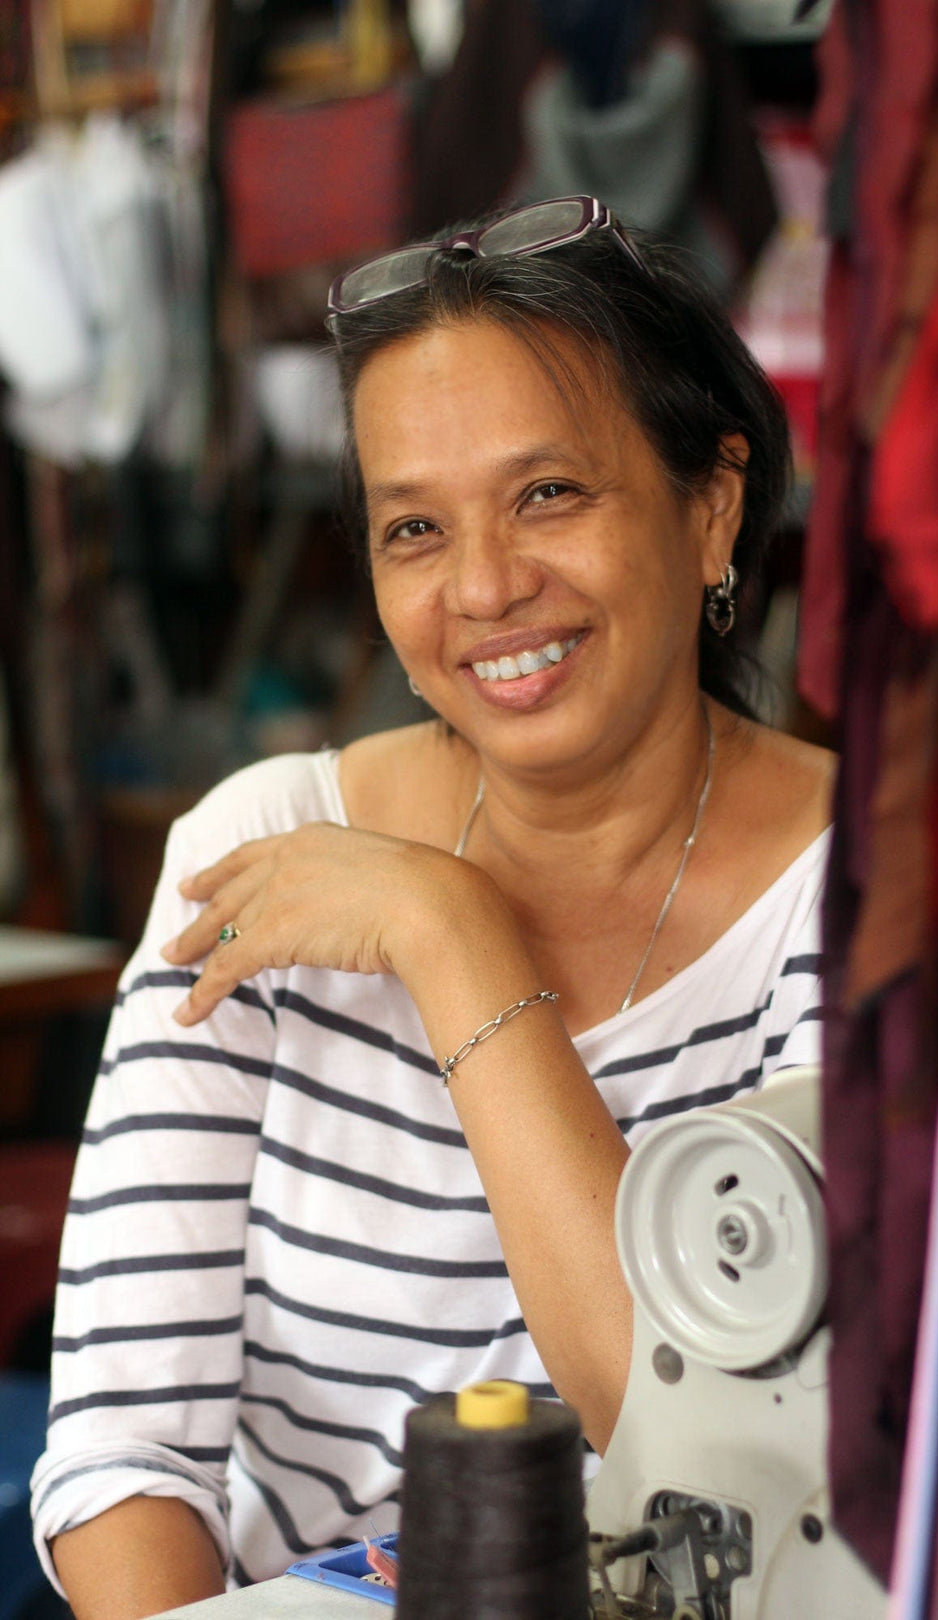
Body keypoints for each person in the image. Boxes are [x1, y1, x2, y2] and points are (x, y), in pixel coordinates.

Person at [32, 196, 833, 1619]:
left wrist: (455, 941)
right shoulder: (261, 847)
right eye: (414, 527)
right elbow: (122, 1450)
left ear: (712, 507)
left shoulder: (864, 890)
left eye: (549, 494)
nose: (485, 587)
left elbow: (714, 1453)